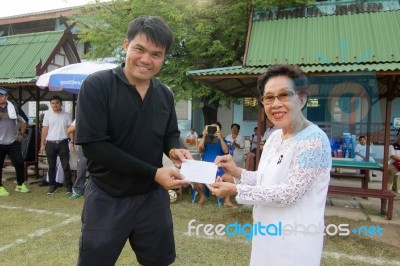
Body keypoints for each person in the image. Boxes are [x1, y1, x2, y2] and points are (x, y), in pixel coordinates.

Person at [75, 16, 192, 266]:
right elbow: (94, 146)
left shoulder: (164, 94)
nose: (146, 60)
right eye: (140, 49)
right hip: (107, 195)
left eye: (156, 54)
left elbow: (170, 133)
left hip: (151, 198)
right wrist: (153, 173)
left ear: (164, 58)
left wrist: (175, 150)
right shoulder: (97, 86)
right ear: (126, 45)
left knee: (159, 261)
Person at [210, 64, 331, 265]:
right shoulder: (275, 137)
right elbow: (265, 179)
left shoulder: (314, 141)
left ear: (301, 98)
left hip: (295, 241)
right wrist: (236, 171)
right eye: (268, 97)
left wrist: (236, 190)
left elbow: (289, 193)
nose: (275, 104)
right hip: (265, 231)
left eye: (284, 95)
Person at [194, 121, 236, 208]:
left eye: (215, 129)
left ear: (219, 130)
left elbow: (226, 151)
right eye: (210, 129)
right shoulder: (205, 140)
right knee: (195, 179)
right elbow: (199, 149)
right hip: (205, 167)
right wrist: (204, 136)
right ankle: (203, 196)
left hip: (218, 168)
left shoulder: (222, 140)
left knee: (231, 179)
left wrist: (220, 138)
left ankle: (227, 201)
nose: (212, 131)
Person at [40, 95, 73, 195]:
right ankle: (52, 186)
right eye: (53, 103)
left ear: (61, 104)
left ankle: (68, 186)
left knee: (66, 165)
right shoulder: (47, 115)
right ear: (50, 104)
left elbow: (70, 129)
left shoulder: (67, 115)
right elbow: (44, 130)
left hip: (63, 142)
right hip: (50, 143)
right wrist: (42, 144)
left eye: (57, 103)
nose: (55, 105)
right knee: (51, 166)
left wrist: (72, 141)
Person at [0, 88, 30, 196]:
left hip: (13, 141)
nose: (1, 97)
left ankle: (20, 184)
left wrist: (21, 134)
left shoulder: (15, 108)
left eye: (3, 95)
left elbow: (26, 121)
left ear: (7, 97)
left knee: (19, 162)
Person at [67, 119, 87, 199]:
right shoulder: (81, 116)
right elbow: (69, 130)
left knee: (99, 169)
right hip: (84, 146)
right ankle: (78, 191)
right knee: (81, 169)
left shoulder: (100, 114)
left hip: (100, 145)